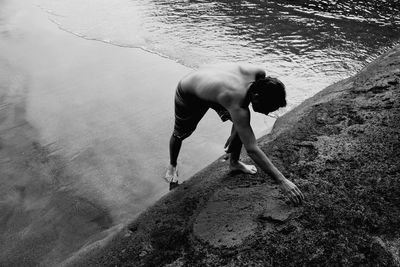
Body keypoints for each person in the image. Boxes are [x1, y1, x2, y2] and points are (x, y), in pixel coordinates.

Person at [165, 63, 304, 205]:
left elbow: (241, 117)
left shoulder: (259, 74)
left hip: (214, 85)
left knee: (242, 123)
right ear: (256, 96)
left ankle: (234, 162)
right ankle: (172, 165)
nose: (267, 113)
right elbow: (252, 148)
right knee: (180, 133)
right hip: (189, 91)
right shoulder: (236, 101)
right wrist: (282, 181)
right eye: (268, 108)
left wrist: (236, 130)